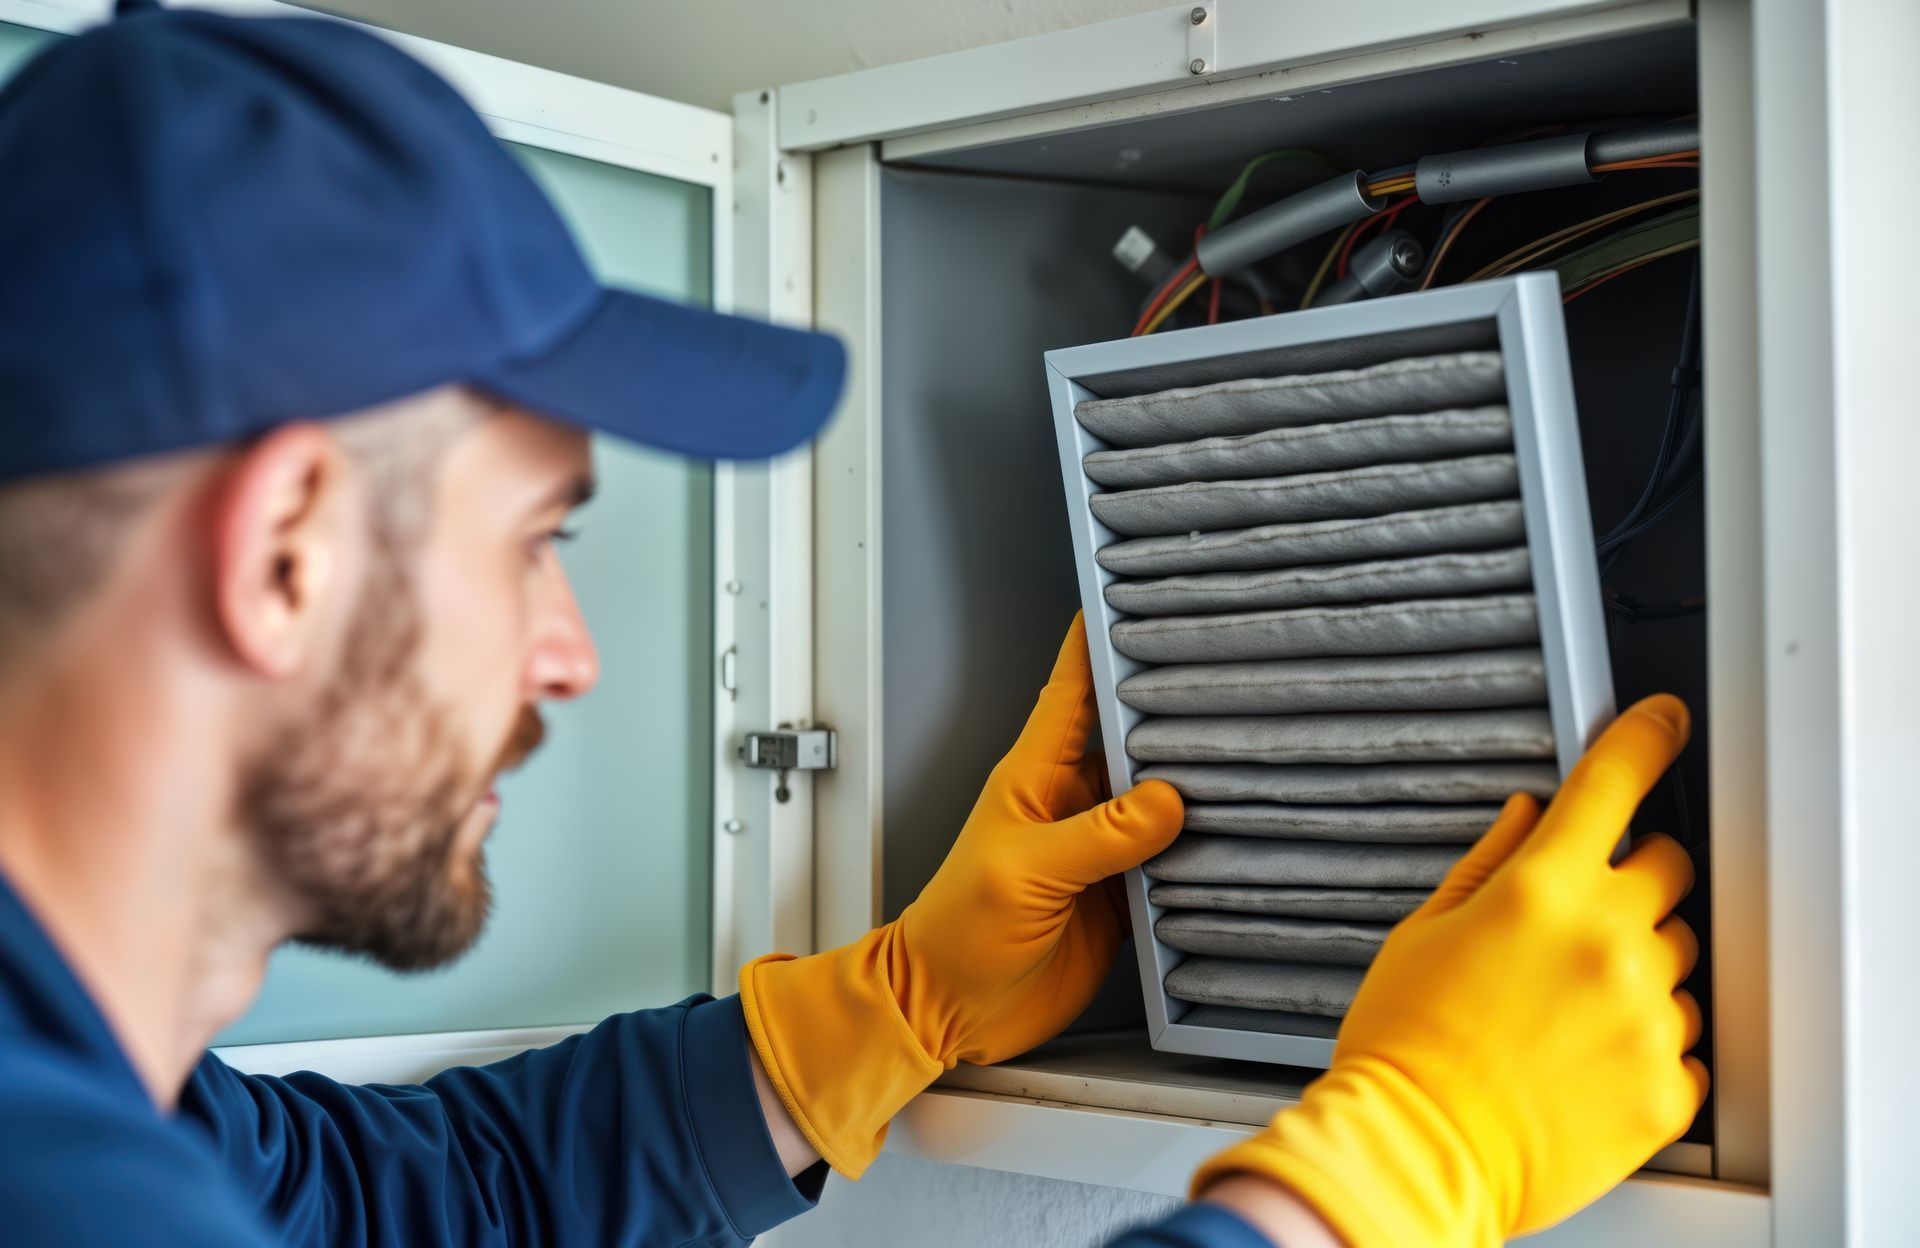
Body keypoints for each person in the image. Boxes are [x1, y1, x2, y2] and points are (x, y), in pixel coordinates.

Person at [0, 4, 1706, 1245]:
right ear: (282, 554)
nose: (570, 653)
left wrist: (888, 1009)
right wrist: (1389, 1174)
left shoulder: (91, 1104)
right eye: (532, 543)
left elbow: (385, 1213)